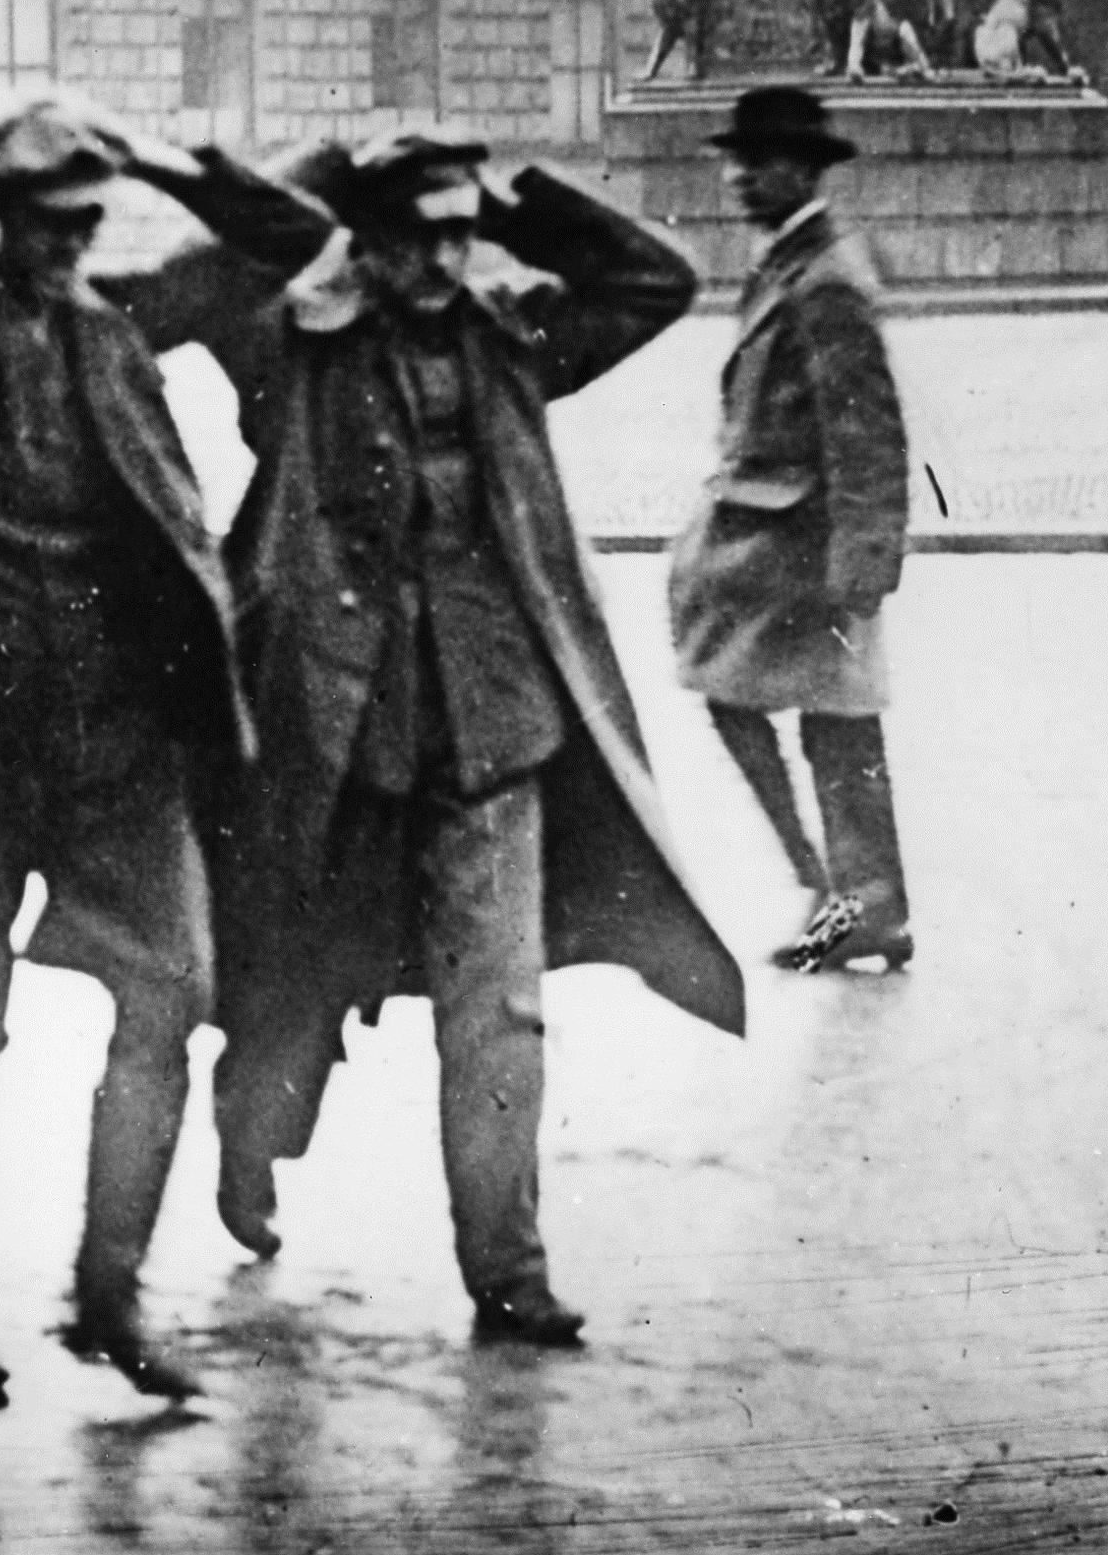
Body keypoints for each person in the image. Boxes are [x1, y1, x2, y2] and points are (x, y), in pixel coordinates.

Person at [128, 124, 743, 1350]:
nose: (443, 257)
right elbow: (175, 293)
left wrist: (524, 195)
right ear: (370, 234)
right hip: (331, 722)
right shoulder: (292, 334)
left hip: (490, 718)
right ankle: (249, 1135)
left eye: (463, 231)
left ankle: (508, 1271)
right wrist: (298, 188)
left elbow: (653, 281)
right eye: (419, 233)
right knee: (290, 979)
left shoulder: (511, 331)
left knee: (498, 1006)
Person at [0, 92, 249, 1407]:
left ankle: (112, 1291)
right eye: (42, 215)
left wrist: (167, 155)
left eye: (84, 215)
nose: (68, 239)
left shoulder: (114, 331)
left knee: (170, 993)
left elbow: (281, 239)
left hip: (113, 727)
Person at [666, 86, 917, 974]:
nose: (735, 177)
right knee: (785, 708)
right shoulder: (789, 260)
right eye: (733, 159)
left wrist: (865, 561)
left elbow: (868, 431)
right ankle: (848, 895)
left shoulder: (825, 279)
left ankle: (851, 898)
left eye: (756, 162)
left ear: (802, 171)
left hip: (807, 541)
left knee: (830, 723)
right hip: (773, 533)